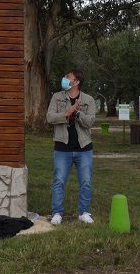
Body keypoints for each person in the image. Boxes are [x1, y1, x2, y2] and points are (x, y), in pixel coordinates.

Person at [46, 69, 96, 225]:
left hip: (84, 148)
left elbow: (90, 122)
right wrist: (66, 113)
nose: (65, 79)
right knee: (59, 180)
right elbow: (49, 117)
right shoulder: (57, 97)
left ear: (76, 82)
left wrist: (78, 113)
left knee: (86, 181)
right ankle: (57, 213)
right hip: (62, 147)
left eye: (68, 77)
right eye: (65, 76)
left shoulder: (88, 99)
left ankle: (84, 212)